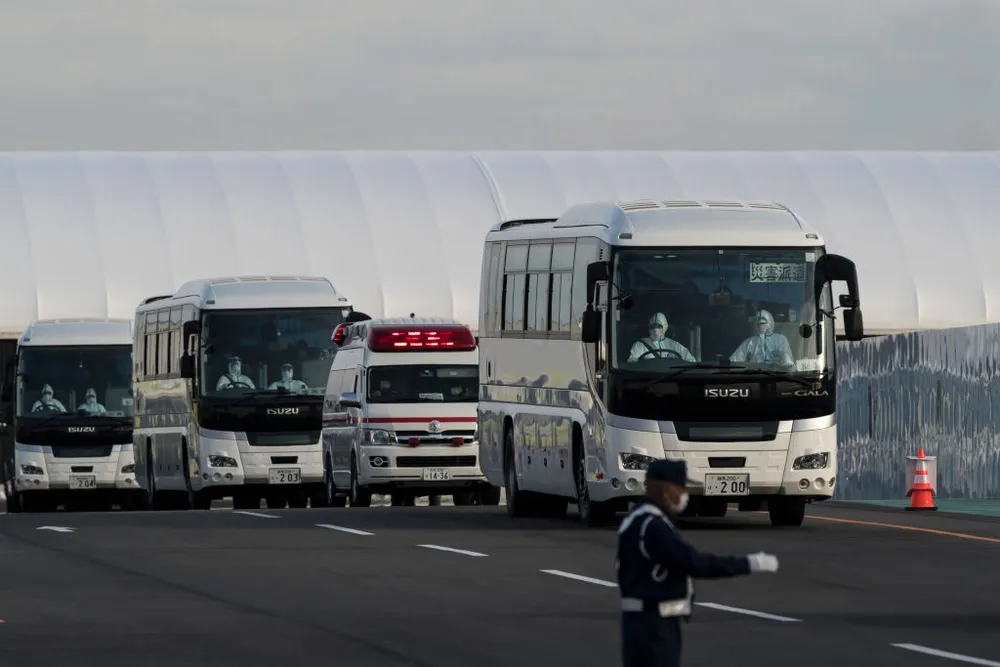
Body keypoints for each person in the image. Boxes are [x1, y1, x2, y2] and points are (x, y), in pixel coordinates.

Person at [616, 459, 779, 667]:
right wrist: (750, 563)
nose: (684, 495)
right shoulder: (652, 526)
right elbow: (694, 563)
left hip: (644, 624)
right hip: (653, 627)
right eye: (681, 488)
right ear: (667, 490)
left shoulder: (639, 518)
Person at [729, 309, 794, 366]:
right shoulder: (750, 342)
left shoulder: (780, 339)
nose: (760, 321)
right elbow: (734, 361)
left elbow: (788, 362)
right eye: (758, 319)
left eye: (763, 318)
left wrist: (784, 358)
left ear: (770, 322)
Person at [626, 313, 697, 363]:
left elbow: (691, 362)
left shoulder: (675, 345)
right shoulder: (639, 345)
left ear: (665, 327)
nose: (655, 329)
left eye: (659, 326)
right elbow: (632, 363)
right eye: (652, 326)